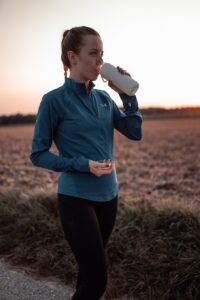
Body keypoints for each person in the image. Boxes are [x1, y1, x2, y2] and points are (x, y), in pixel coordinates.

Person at [30, 26, 142, 300]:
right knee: (97, 278)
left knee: (88, 272)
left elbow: (134, 132)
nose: (100, 62)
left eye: (102, 55)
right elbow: (38, 154)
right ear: (73, 57)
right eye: (93, 54)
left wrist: (127, 95)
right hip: (75, 198)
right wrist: (82, 164)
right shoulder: (53, 101)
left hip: (109, 196)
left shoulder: (104, 98)